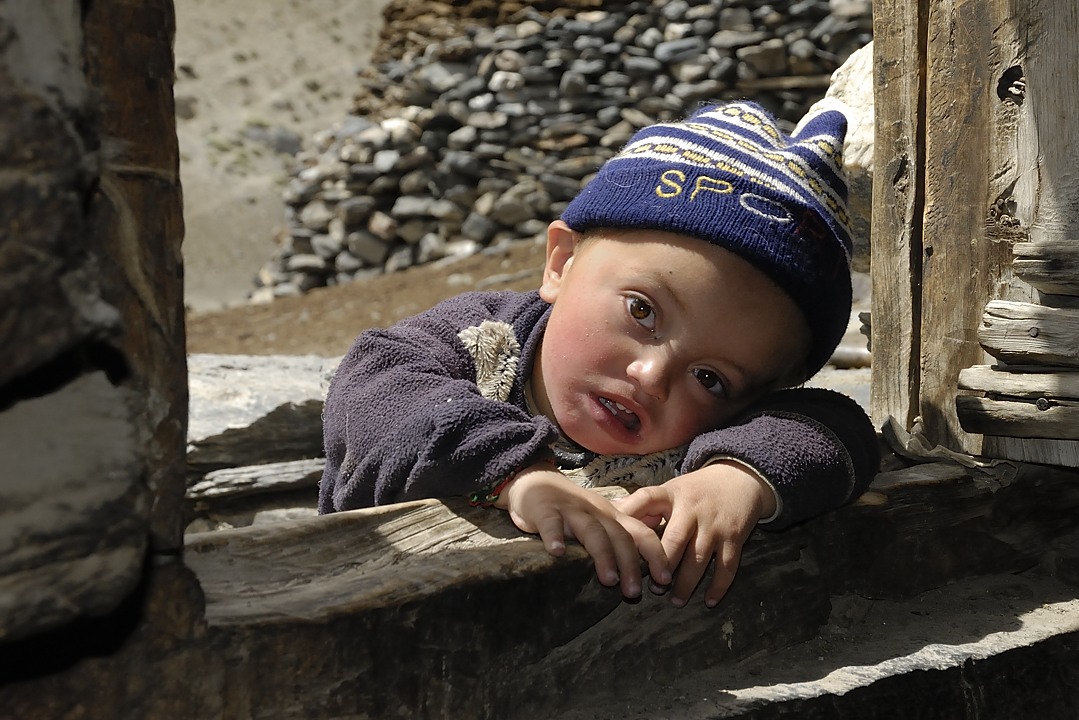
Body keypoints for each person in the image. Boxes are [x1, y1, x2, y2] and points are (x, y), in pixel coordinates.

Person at [319, 101, 880, 607]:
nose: (652, 375)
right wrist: (516, 473)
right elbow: (375, 382)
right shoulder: (483, 337)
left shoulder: (720, 429)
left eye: (710, 378)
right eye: (642, 311)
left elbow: (838, 427)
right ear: (561, 263)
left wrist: (738, 477)